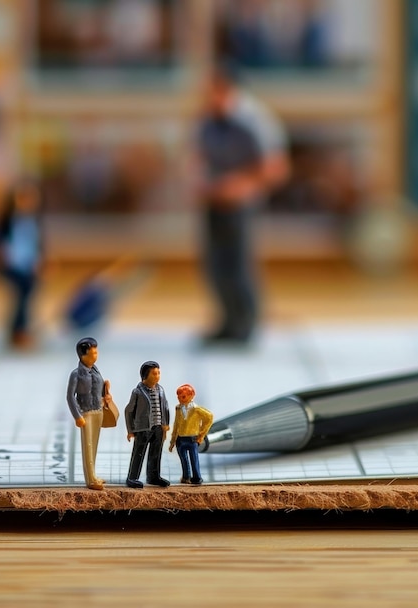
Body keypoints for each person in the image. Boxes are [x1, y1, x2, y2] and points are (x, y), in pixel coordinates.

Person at [194, 61, 289, 344]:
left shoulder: (254, 120)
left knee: (238, 263)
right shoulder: (208, 120)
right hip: (213, 200)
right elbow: (199, 156)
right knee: (215, 264)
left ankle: (245, 323)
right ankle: (226, 320)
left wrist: (241, 184)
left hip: (240, 202)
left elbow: (275, 166)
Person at [0, 179, 44, 350]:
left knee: (28, 289)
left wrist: (41, 261)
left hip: (27, 265)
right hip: (10, 264)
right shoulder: (6, 219)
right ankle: (18, 330)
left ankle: (20, 329)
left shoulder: (34, 220)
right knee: (23, 287)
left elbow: (38, 246)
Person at [66, 337, 113, 490]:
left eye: (96, 352)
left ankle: (94, 475)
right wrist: (77, 416)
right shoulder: (76, 374)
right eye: (92, 353)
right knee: (88, 446)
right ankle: (91, 480)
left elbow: (99, 390)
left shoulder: (96, 370)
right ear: (83, 355)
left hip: (98, 411)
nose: (95, 355)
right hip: (85, 413)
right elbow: (70, 396)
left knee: (95, 445)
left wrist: (107, 395)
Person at [124, 360, 170, 489]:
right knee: (139, 453)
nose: (158, 376)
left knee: (156, 453)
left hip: (158, 427)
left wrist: (165, 424)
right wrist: (130, 430)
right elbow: (128, 411)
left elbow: (165, 407)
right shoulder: (137, 392)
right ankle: (132, 477)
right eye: (154, 373)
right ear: (145, 375)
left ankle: (153, 476)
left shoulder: (160, 389)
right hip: (143, 428)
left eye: (159, 373)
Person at [168, 384, 213, 485]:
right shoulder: (178, 408)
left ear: (192, 395)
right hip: (180, 439)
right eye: (179, 397)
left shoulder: (196, 409)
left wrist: (202, 434)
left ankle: (197, 477)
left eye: (183, 397)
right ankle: (186, 476)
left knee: (194, 460)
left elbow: (209, 417)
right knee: (183, 460)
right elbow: (176, 424)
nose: (180, 399)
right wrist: (172, 441)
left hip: (192, 438)